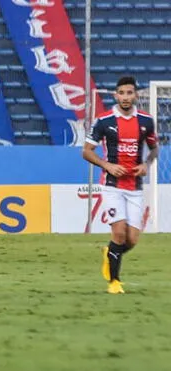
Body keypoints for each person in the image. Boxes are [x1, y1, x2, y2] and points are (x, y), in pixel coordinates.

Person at [83, 76, 159, 294]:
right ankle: (114, 282)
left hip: (134, 187)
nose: (126, 97)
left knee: (132, 240)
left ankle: (111, 253)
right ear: (115, 95)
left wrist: (146, 163)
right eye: (121, 93)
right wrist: (107, 165)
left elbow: (154, 148)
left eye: (129, 93)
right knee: (119, 234)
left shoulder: (146, 121)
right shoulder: (104, 121)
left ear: (135, 95)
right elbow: (86, 151)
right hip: (112, 185)